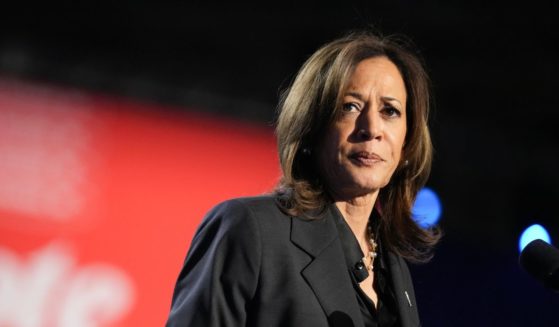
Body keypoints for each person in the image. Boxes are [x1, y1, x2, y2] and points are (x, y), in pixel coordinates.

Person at [166, 30, 440, 327]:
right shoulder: (250, 229)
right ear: (312, 126)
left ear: (407, 142)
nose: (371, 127)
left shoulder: (392, 266)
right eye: (350, 106)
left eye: (390, 111)